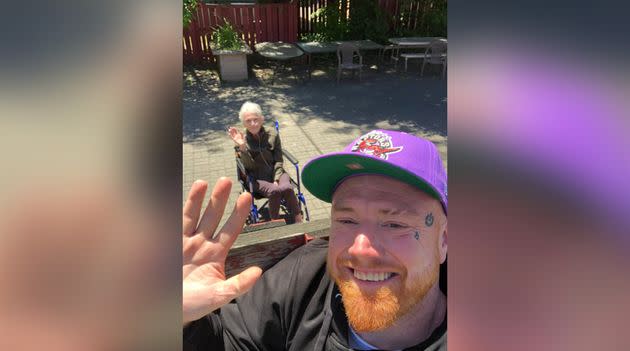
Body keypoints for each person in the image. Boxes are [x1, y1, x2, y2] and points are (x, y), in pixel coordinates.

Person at [183, 129, 447, 350]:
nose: (361, 249)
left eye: (394, 224)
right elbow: (226, 340)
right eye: (347, 220)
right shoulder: (305, 280)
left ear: (444, 240)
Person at [227, 101, 302, 224]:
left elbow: (278, 159)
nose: (253, 124)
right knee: (274, 191)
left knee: (287, 187)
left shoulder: (272, 133)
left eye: (256, 119)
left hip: (276, 171)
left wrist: (276, 178)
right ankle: (275, 221)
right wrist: (242, 147)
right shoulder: (241, 140)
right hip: (256, 177)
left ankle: (297, 216)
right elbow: (248, 167)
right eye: (248, 121)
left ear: (262, 119)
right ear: (243, 123)